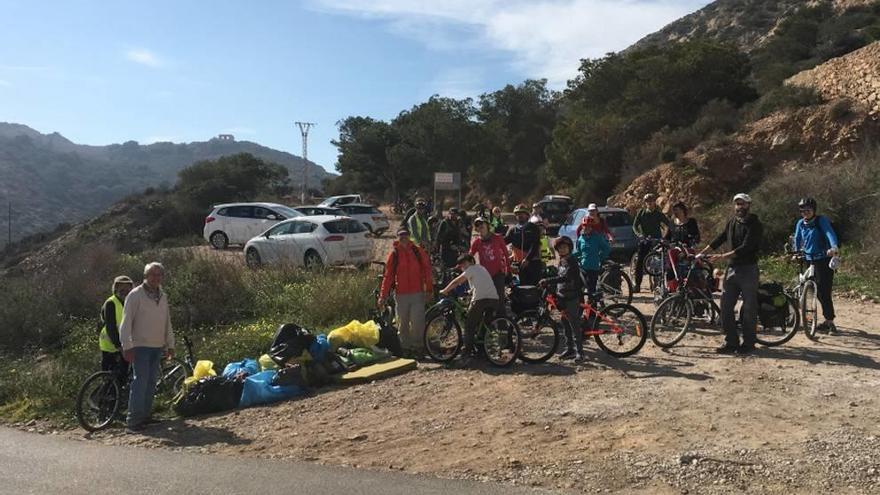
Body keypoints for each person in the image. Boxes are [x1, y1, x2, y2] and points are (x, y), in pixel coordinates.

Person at [704, 193, 763, 355]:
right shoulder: (732, 222)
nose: (739, 207)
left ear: (749, 205)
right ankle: (731, 342)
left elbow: (746, 247)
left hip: (748, 270)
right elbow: (721, 238)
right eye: (737, 204)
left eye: (742, 204)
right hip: (731, 270)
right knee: (725, 307)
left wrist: (721, 257)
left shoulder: (755, 224)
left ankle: (749, 343)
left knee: (749, 308)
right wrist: (703, 252)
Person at [119, 262, 174, 433]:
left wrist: (170, 344)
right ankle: (133, 421)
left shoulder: (163, 296)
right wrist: (127, 346)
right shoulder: (135, 296)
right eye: (152, 274)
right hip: (140, 346)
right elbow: (126, 323)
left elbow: (167, 321)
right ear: (146, 276)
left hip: (157, 346)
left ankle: (145, 416)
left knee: (151, 383)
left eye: (159, 275)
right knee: (140, 382)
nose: (156, 278)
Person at [380, 228, 434, 353]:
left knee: (417, 323)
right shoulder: (394, 254)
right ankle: (405, 348)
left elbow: (427, 270)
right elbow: (388, 277)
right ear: (397, 237)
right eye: (401, 235)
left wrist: (429, 289)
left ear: (409, 236)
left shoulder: (418, 251)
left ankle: (418, 347)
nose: (403, 237)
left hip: (417, 293)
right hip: (401, 294)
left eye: (405, 235)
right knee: (402, 324)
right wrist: (382, 295)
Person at [439, 254, 499, 366]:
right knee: (483, 327)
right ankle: (482, 352)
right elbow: (480, 284)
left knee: (469, 325)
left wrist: (445, 290)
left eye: (464, 264)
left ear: (471, 261)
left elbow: (457, 281)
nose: (463, 267)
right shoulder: (482, 268)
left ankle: (466, 355)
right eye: (461, 266)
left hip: (481, 300)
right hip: (494, 299)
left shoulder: (471, 269)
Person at [792, 197, 840, 333]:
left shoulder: (821, 220)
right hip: (808, 259)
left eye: (808, 210)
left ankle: (829, 321)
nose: (805, 212)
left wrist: (834, 247)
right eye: (802, 210)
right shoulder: (800, 223)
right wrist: (795, 251)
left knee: (824, 291)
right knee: (811, 288)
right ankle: (804, 315)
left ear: (814, 210)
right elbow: (797, 238)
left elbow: (829, 233)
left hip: (823, 259)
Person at [540, 237, 585, 362]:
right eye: (560, 248)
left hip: (571, 297)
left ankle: (580, 352)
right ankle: (570, 349)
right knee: (565, 323)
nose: (563, 249)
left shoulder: (571, 261)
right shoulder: (562, 261)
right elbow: (559, 276)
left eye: (565, 247)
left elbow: (565, 278)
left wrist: (548, 281)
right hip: (563, 296)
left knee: (574, 324)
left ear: (569, 248)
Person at [632, 193, 670, 291]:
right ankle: (637, 285)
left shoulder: (658, 214)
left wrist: (664, 237)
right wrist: (639, 235)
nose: (649, 203)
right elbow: (635, 226)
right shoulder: (641, 213)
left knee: (658, 262)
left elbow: (667, 225)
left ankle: (657, 284)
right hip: (645, 240)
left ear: (654, 202)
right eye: (647, 201)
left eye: (651, 201)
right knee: (640, 262)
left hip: (656, 240)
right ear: (645, 203)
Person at [98, 276, 134, 377]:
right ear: (116, 289)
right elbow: (111, 328)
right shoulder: (111, 303)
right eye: (122, 289)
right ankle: (106, 392)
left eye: (128, 288)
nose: (125, 291)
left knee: (124, 374)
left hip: (124, 343)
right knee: (112, 377)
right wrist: (119, 346)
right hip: (110, 344)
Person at [469, 217, 510, 305]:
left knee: (499, 297)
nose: (480, 228)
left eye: (482, 225)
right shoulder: (477, 242)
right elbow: (469, 256)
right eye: (478, 226)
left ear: (487, 226)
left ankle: (502, 317)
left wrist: (508, 269)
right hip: (484, 275)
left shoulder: (498, 237)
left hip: (498, 272)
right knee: (486, 298)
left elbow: (506, 254)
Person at [505, 203, 544, 286]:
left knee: (535, 288)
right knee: (522, 288)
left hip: (533, 262)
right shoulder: (513, 230)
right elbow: (504, 241)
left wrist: (527, 259)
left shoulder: (533, 228)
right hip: (519, 264)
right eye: (517, 214)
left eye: (522, 213)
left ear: (527, 215)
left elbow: (535, 244)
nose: (519, 215)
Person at [575, 218, 611, 303]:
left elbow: (607, 248)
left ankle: (592, 313)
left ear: (592, 227)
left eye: (589, 226)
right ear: (582, 227)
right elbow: (578, 252)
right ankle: (581, 309)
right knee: (578, 290)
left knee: (591, 292)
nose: (587, 228)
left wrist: (600, 257)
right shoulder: (580, 238)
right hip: (583, 267)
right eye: (585, 226)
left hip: (593, 267)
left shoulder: (597, 237)